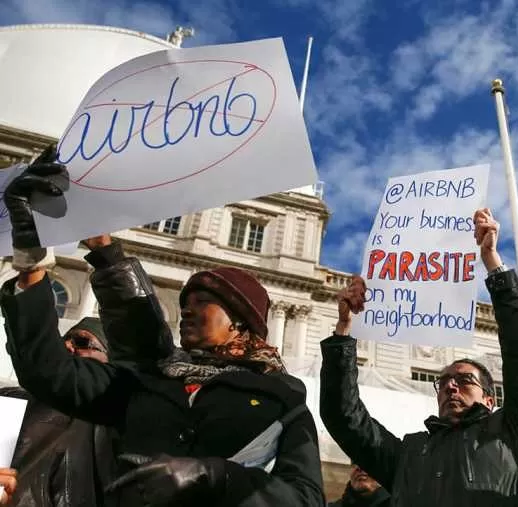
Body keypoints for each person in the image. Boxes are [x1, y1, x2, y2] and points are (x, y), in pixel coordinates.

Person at [1, 145, 326, 507]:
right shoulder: (146, 380)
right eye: (185, 303)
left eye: (203, 303)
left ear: (239, 320)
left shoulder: (283, 396)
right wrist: (31, 262)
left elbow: (305, 497)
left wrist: (215, 475)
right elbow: (48, 370)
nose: (187, 311)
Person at [319, 208, 518, 506]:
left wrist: (493, 264)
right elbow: (342, 416)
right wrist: (344, 331)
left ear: (491, 399)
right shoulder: (409, 453)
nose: (451, 386)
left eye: (465, 380)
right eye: (443, 382)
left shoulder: (515, 428)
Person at [0, 317, 116, 507]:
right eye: (64, 339)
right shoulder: (8, 399)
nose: (67, 345)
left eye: (82, 343)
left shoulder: (108, 430)